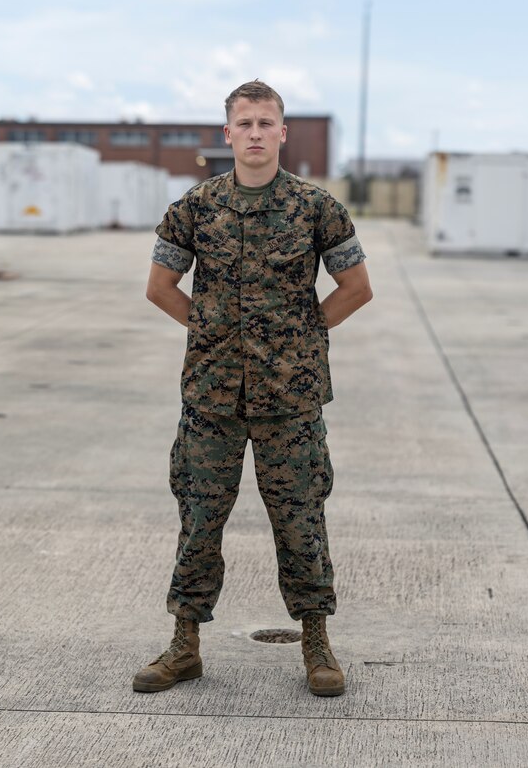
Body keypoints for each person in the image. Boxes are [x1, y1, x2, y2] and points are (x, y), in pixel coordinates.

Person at [133, 80, 372, 697]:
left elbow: (356, 288)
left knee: (300, 521)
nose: (257, 133)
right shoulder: (195, 207)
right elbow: (159, 286)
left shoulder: (318, 208)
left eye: (267, 122)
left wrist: (302, 334)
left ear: (283, 132)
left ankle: (317, 644)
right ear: (228, 134)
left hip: (289, 401)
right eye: (246, 124)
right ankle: (184, 645)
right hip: (211, 397)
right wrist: (211, 331)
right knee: (199, 518)